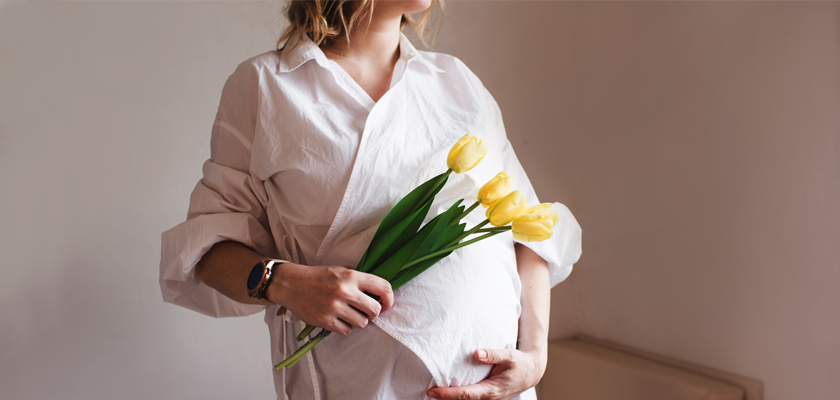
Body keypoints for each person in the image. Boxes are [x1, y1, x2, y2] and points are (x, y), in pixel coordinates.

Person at [158, 0, 582, 399]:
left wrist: (535, 357)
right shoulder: (265, 86)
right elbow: (208, 249)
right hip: (355, 383)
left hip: (499, 391)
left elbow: (529, 227)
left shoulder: (456, 82)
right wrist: (282, 282)